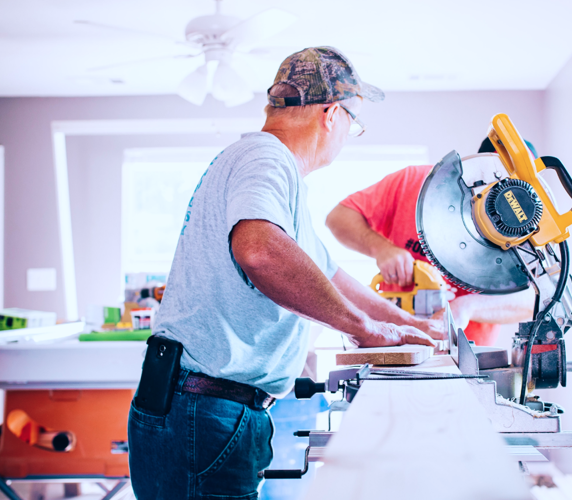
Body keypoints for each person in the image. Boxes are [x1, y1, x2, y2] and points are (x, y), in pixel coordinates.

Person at [127, 47, 445, 500]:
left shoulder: (269, 171)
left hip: (200, 405)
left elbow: (329, 275)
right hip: (204, 408)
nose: (348, 134)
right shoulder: (266, 158)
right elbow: (258, 251)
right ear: (332, 114)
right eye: (354, 123)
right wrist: (363, 329)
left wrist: (405, 325)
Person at [325, 138, 538, 347]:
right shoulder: (414, 182)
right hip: (393, 342)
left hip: (467, 357)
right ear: (478, 164)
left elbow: (535, 300)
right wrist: (381, 248)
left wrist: (468, 306)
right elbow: (338, 217)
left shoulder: (526, 228)